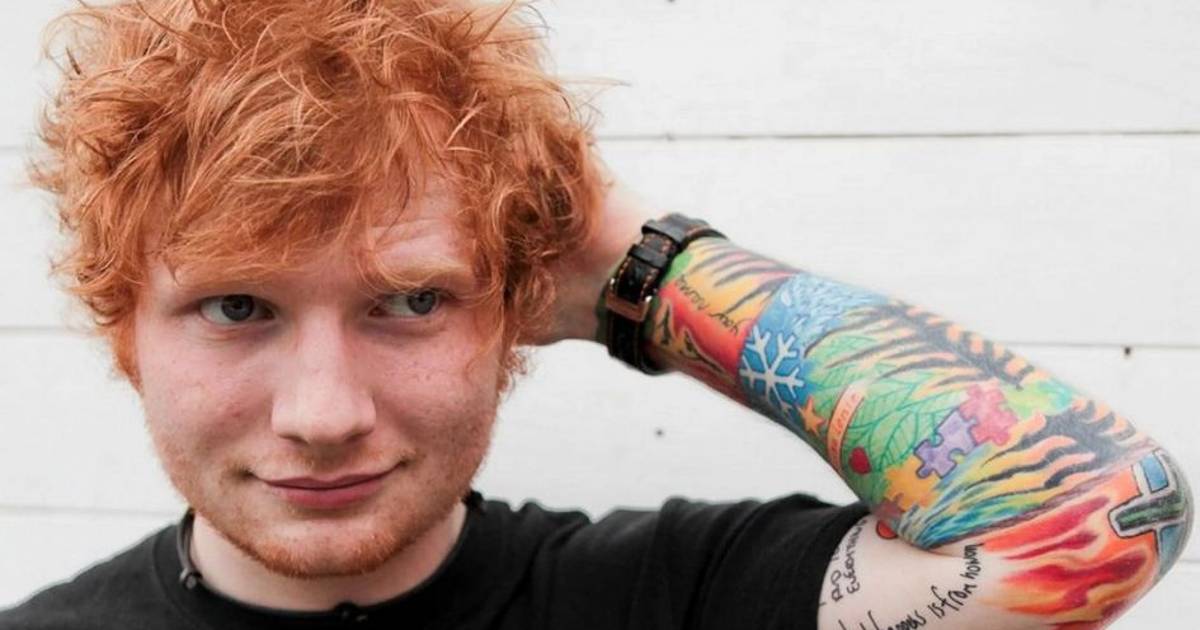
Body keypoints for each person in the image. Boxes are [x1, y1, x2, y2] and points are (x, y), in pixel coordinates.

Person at [3, 0, 1191, 628]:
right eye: (237, 306)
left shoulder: (674, 598)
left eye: (411, 299)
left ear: (514, 311)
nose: (323, 415)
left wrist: (650, 267)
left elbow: (1088, 514)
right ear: (123, 330)